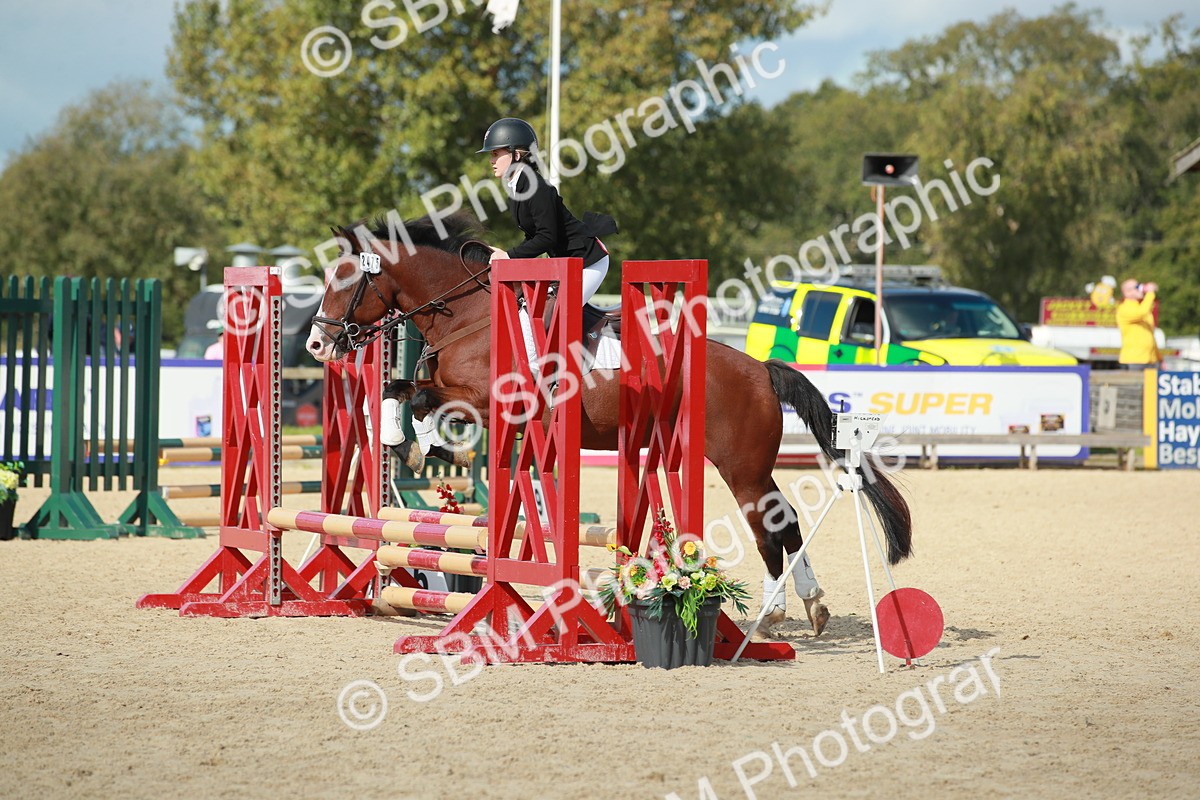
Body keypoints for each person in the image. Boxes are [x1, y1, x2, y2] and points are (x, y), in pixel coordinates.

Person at [477, 117, 616, 305]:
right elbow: (534, 236)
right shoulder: (517, 187)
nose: (491, 160)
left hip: (587, 261)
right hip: (565, 263)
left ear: (516, 155)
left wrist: (509, 256)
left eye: (495, 154)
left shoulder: (538, 188)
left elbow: (547, 237)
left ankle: (605, 335)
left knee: (559, 315)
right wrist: (507, 256)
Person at [1116, 279, 1160, 369]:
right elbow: (1141, 312)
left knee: (1152, 383)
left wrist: (1159, 357)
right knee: (1135, 383)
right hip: (1134, 360)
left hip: (1151, 360)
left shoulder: (1143, 308)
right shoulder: (1124, 309)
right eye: (1136, 287)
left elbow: (1150, 336)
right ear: (1126, 292)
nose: (1140, 289)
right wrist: (1150, 293)